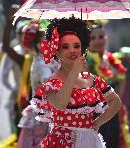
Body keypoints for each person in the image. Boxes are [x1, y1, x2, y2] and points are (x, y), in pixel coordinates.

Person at [31, 16, 122, 147]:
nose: (72, 50)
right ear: (56, 51)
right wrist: (74, 72)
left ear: (83, 48)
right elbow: (60, 104)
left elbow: (115, 102)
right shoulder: (51, 82)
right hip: (61, 143)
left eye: (76, 46)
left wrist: (96, 123)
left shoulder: (92, 79)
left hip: (90, 141)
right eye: (65, 46)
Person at [86, 21, 130, 148]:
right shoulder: (86, 61)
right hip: (95, 113)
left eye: (101, 37)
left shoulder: (111, 60)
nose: (98, 41)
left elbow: (121, 84)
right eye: (92, 38)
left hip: (113, 113)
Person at [17, 19, 58, 148]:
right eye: (47, 40)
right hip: (44, 117)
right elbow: (51, 85)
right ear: (39, 44)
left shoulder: (51, 61)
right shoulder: (41, 64)